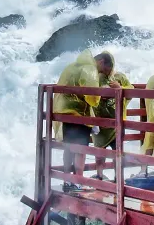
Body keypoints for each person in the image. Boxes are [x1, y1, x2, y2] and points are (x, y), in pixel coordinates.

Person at [53, 50, 101, 190]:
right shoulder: (89, 69)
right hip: (80, 114)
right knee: (81, 150)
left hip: (65, 114)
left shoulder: (71, 67)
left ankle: (67, 180)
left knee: (68, 149)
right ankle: (79, 180)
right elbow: (93, 97)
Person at [91, 51, 133, 181]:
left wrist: (120, 88)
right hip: (100, 122)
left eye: (108, 69)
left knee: (117, 152)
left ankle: (118, 177)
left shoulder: (119, 76)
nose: (107, 71)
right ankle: (99, 175)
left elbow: (131, 90)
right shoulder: (93, 78)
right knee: (99, 152)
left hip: (116, 123)